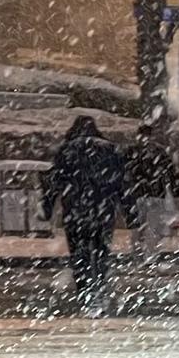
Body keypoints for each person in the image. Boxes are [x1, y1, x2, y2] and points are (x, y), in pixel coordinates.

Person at [41, 115, 128, 310]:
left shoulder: (67, 149)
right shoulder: (109, 149)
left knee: (79, 253)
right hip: (103, 209)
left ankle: (84, 291)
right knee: (101, 250)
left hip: (75, 209)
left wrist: (47, 207)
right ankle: (100, 286)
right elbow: (121, 181)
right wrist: (129, 210)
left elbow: (54, 181)